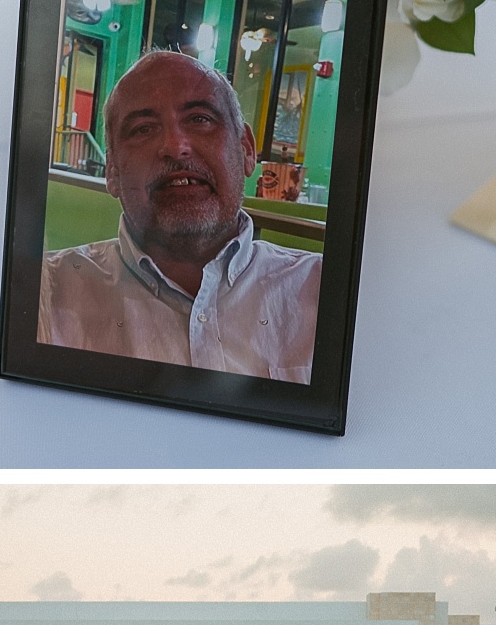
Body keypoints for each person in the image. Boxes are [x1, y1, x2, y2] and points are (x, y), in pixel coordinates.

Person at [37, 51, 323, 382]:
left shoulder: (325, 294)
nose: (175, 146)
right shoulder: (44, 295)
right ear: (112, 171)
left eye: (200, 119)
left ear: (246, 149)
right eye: (143, 129)